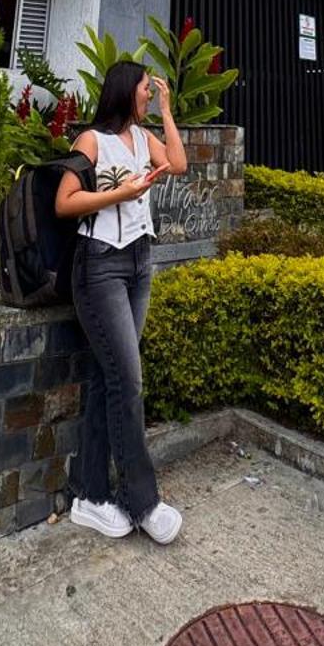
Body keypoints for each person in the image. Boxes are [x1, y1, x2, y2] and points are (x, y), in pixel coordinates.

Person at [56, 60, 188, 544]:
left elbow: (178, 163)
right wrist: (118, 195)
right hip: (99, 267)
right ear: (123, 90)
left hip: (138, 263)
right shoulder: (92, 140)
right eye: (144, 89)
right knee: (128, 383)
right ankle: (142, 502)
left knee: (107, 377)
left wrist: (169, 112)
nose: (148, 95)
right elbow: (64, 201)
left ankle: (90, 497)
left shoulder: (142, 139)